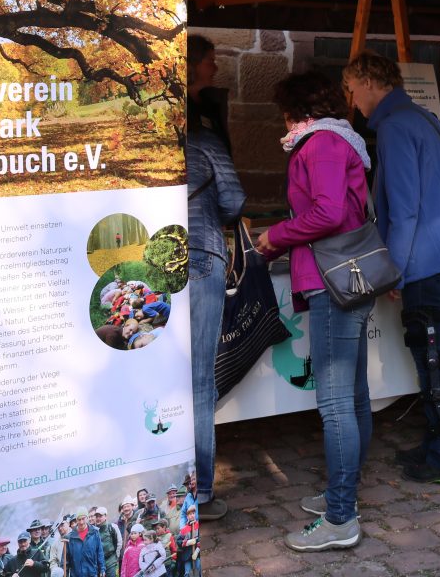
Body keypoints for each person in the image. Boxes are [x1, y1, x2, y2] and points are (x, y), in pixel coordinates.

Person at [343, 52, 440, 487]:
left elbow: (405, 211)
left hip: (433, 260)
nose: (351, 100)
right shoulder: (421, 117)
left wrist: (395, 271)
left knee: (436, 359)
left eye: (351, 88)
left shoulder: (393, 127)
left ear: (369, 81)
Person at [255, 70, 375, 552]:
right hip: (346, 277)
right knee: (355, 397)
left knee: (336, 403)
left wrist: (276, 237)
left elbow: (327, 213)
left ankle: (341, 516)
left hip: (332, 282)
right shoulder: (338, 139)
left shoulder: (321, 144)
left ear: (295, 110)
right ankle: (341, 495)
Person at [186, 39, 247, 522]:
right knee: (198, 381)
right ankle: (200, 491)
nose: (217, 64)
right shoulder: (204, 134)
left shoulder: (143, 133)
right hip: (201, 253)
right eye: (210, 58)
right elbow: (233, 200)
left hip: (152, 259)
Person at [186, 34, 230, 151]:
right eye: (210, 61)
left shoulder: (212, 104)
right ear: (191, 63)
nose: (216, 68)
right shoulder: (176, 108)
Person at [65, 512, 104, 577]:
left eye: (83, 519)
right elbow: (65, 559)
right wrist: (64, 573)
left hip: (92, 573)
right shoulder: (70, 537)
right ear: (76, 520)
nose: (81, 522)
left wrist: (102, 568)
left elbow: (100, 552)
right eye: (79, 519)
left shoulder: (94, 533)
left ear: (87, 518)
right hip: (76, 574)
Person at [90, 506, 120, 577]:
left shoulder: (112, 527)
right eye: (96, 516)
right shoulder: (93, 530)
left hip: (111, 561)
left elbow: (119, 542)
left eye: (100, 516)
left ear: (106, 516)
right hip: (99, 563)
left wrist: (116, 556)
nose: (98, 518)